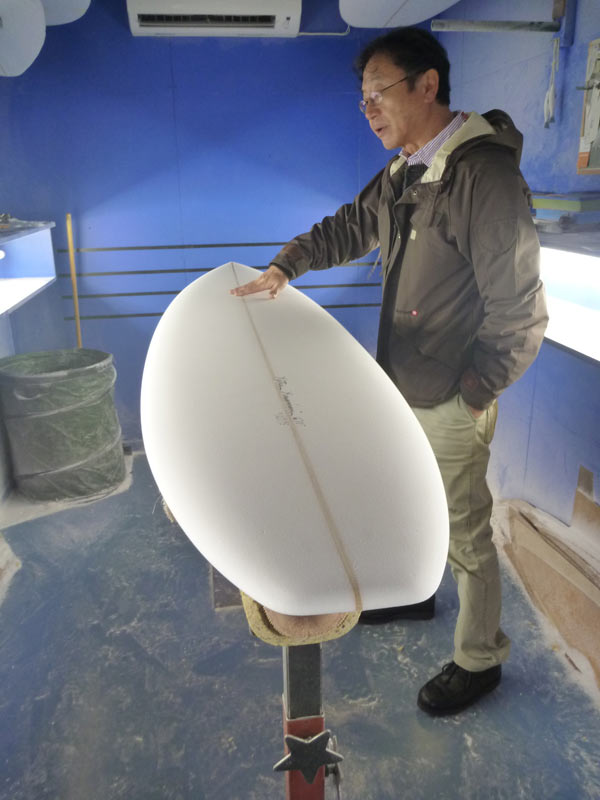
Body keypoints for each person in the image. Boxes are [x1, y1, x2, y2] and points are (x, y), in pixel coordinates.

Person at [231, 27, 548, 715]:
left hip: (453, 395)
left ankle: (480, 657)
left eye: (379, 92)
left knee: (465, 530)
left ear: (427, 85)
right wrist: (286, 265)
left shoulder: (482, 176)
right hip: (404, 383)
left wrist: (474, 393)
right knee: (410, 500)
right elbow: (350, 225)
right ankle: (415, 592)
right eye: (363, 99)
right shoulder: (408, 169)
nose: (368, 109)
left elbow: (521, 311)